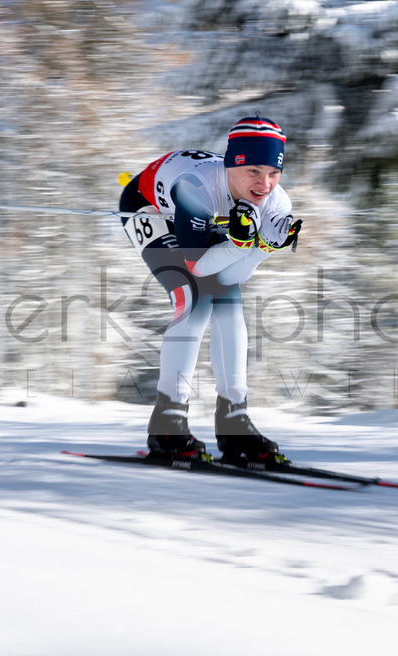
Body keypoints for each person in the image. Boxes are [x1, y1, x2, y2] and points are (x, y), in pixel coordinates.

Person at [117, 116, 301, 467]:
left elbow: (231, 274)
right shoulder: (195, 187)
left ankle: (235, 422)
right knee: (194, 297)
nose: (264, 184)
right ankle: (167, 422)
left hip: (203, 218)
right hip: (149, 205)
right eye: (254, 172)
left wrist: (262, 247)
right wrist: (242, 240)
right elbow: (199, 266)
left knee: (228, 301)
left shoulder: (276, 202)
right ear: (233, 163)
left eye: (274, 174)